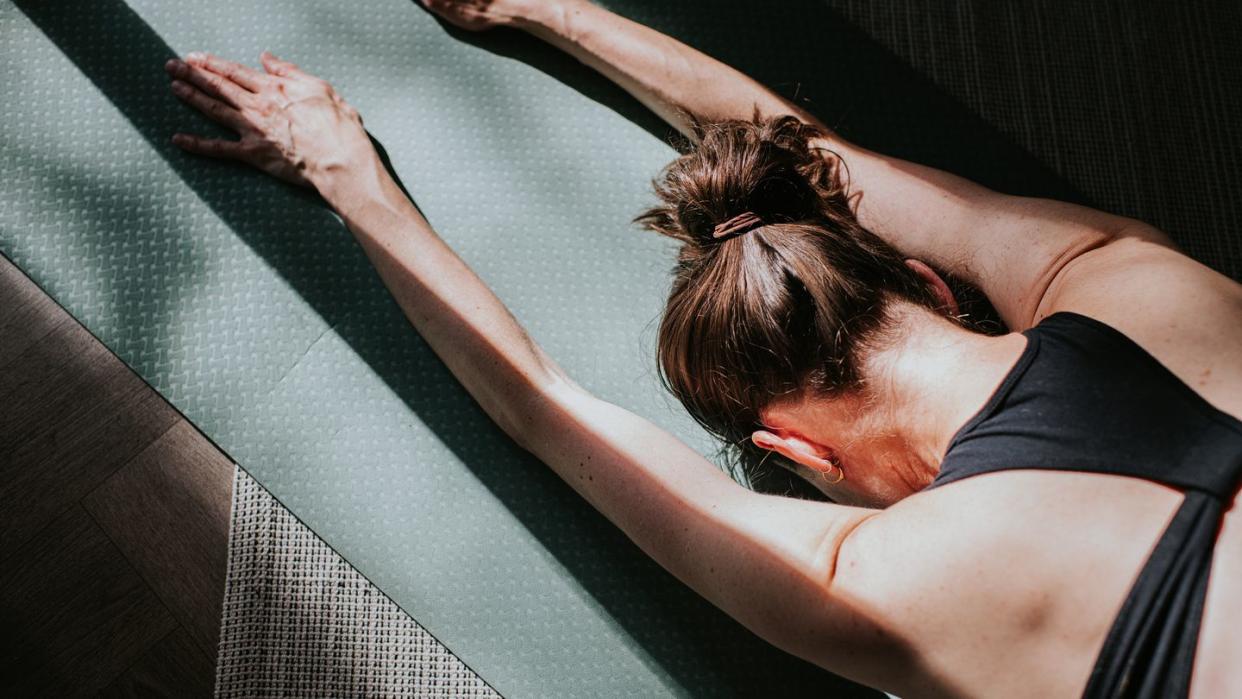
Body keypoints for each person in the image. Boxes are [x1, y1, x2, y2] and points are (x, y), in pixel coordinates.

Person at [161, 0, 1242, 695]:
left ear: (801, 455)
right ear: (924, 280)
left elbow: (541, 405)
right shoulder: (1123, 278)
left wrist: (349, 176)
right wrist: (548, 7)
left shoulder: (885, 582)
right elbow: (823, 161)